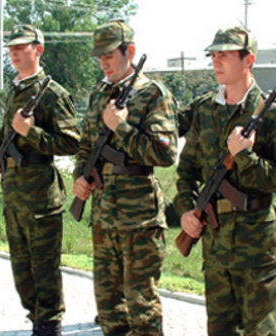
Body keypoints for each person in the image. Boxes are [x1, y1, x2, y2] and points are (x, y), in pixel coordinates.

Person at [174, 27, 276, 335]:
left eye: (224, 55)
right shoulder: (204, 109)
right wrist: (186, 211)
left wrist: (244, 156)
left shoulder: (272, 114)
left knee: (260, 332)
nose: (216, 62)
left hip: (257, 248)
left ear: (248, 60)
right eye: (214, 55)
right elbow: (186, 169)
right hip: (215, 245)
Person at [73, 20, 177, 336]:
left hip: (139, 216)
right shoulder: (98, 95)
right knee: (108, 305)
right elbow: (86, 146)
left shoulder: (152, 94)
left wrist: (122, 127)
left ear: (129, 52)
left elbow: (165, 153)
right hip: (104, 214)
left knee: (141, 303)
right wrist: (80, 176)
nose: (103, 62)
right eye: (99, 56)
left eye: (109, 55)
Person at [0, 24, 80, 336]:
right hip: (13, 194)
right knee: (22, 270)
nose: (13, 52)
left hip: (41, 195)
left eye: (21, 47)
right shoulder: (16, 89)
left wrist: (32, 133)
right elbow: (5, 131)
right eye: (11, 47)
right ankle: (35, 318)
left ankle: (49, 324)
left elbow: (71, 142)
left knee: (44, 268)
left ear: (38, 50)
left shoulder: (52, 93)